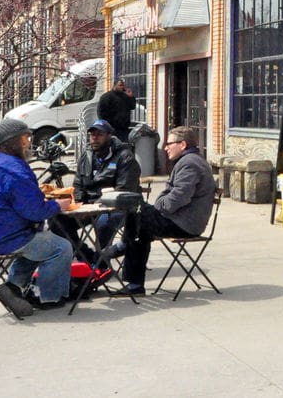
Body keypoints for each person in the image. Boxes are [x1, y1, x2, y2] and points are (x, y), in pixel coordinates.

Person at [0, 117, 74, 315]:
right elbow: (34, 212)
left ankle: (14, 288)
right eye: (25, 140)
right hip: (6, 237)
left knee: (40, 242)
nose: (28, 145)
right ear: (12, 143)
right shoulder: (14, 168)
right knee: (61, 247)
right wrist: (57, 205)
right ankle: (46, 297)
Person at [110, 126, 215, 295]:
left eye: (169, 143)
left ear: (182, 145)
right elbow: (170, 195)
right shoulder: (188, 161)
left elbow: (177, 199)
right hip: (178, 219)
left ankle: (122, 250)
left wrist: (158, 205)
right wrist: (160, 203)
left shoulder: (190, 164)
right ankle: (134, 283)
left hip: (184, 224)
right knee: (139, 226)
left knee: (137, 214)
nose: (165, 147)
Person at [51, 118, 141, 264]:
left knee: (103, 223)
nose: (95, 138)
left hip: (117, 207)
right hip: (89, 205)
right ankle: (87, 257)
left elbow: (124, 190)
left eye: (99, 134)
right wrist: (79, 204)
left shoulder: (125, 157)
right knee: (57, 221)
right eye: (92, 135)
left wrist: (97, 206)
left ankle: (102, 263)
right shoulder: (86, 156)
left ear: (109, 136)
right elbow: (78, 184)